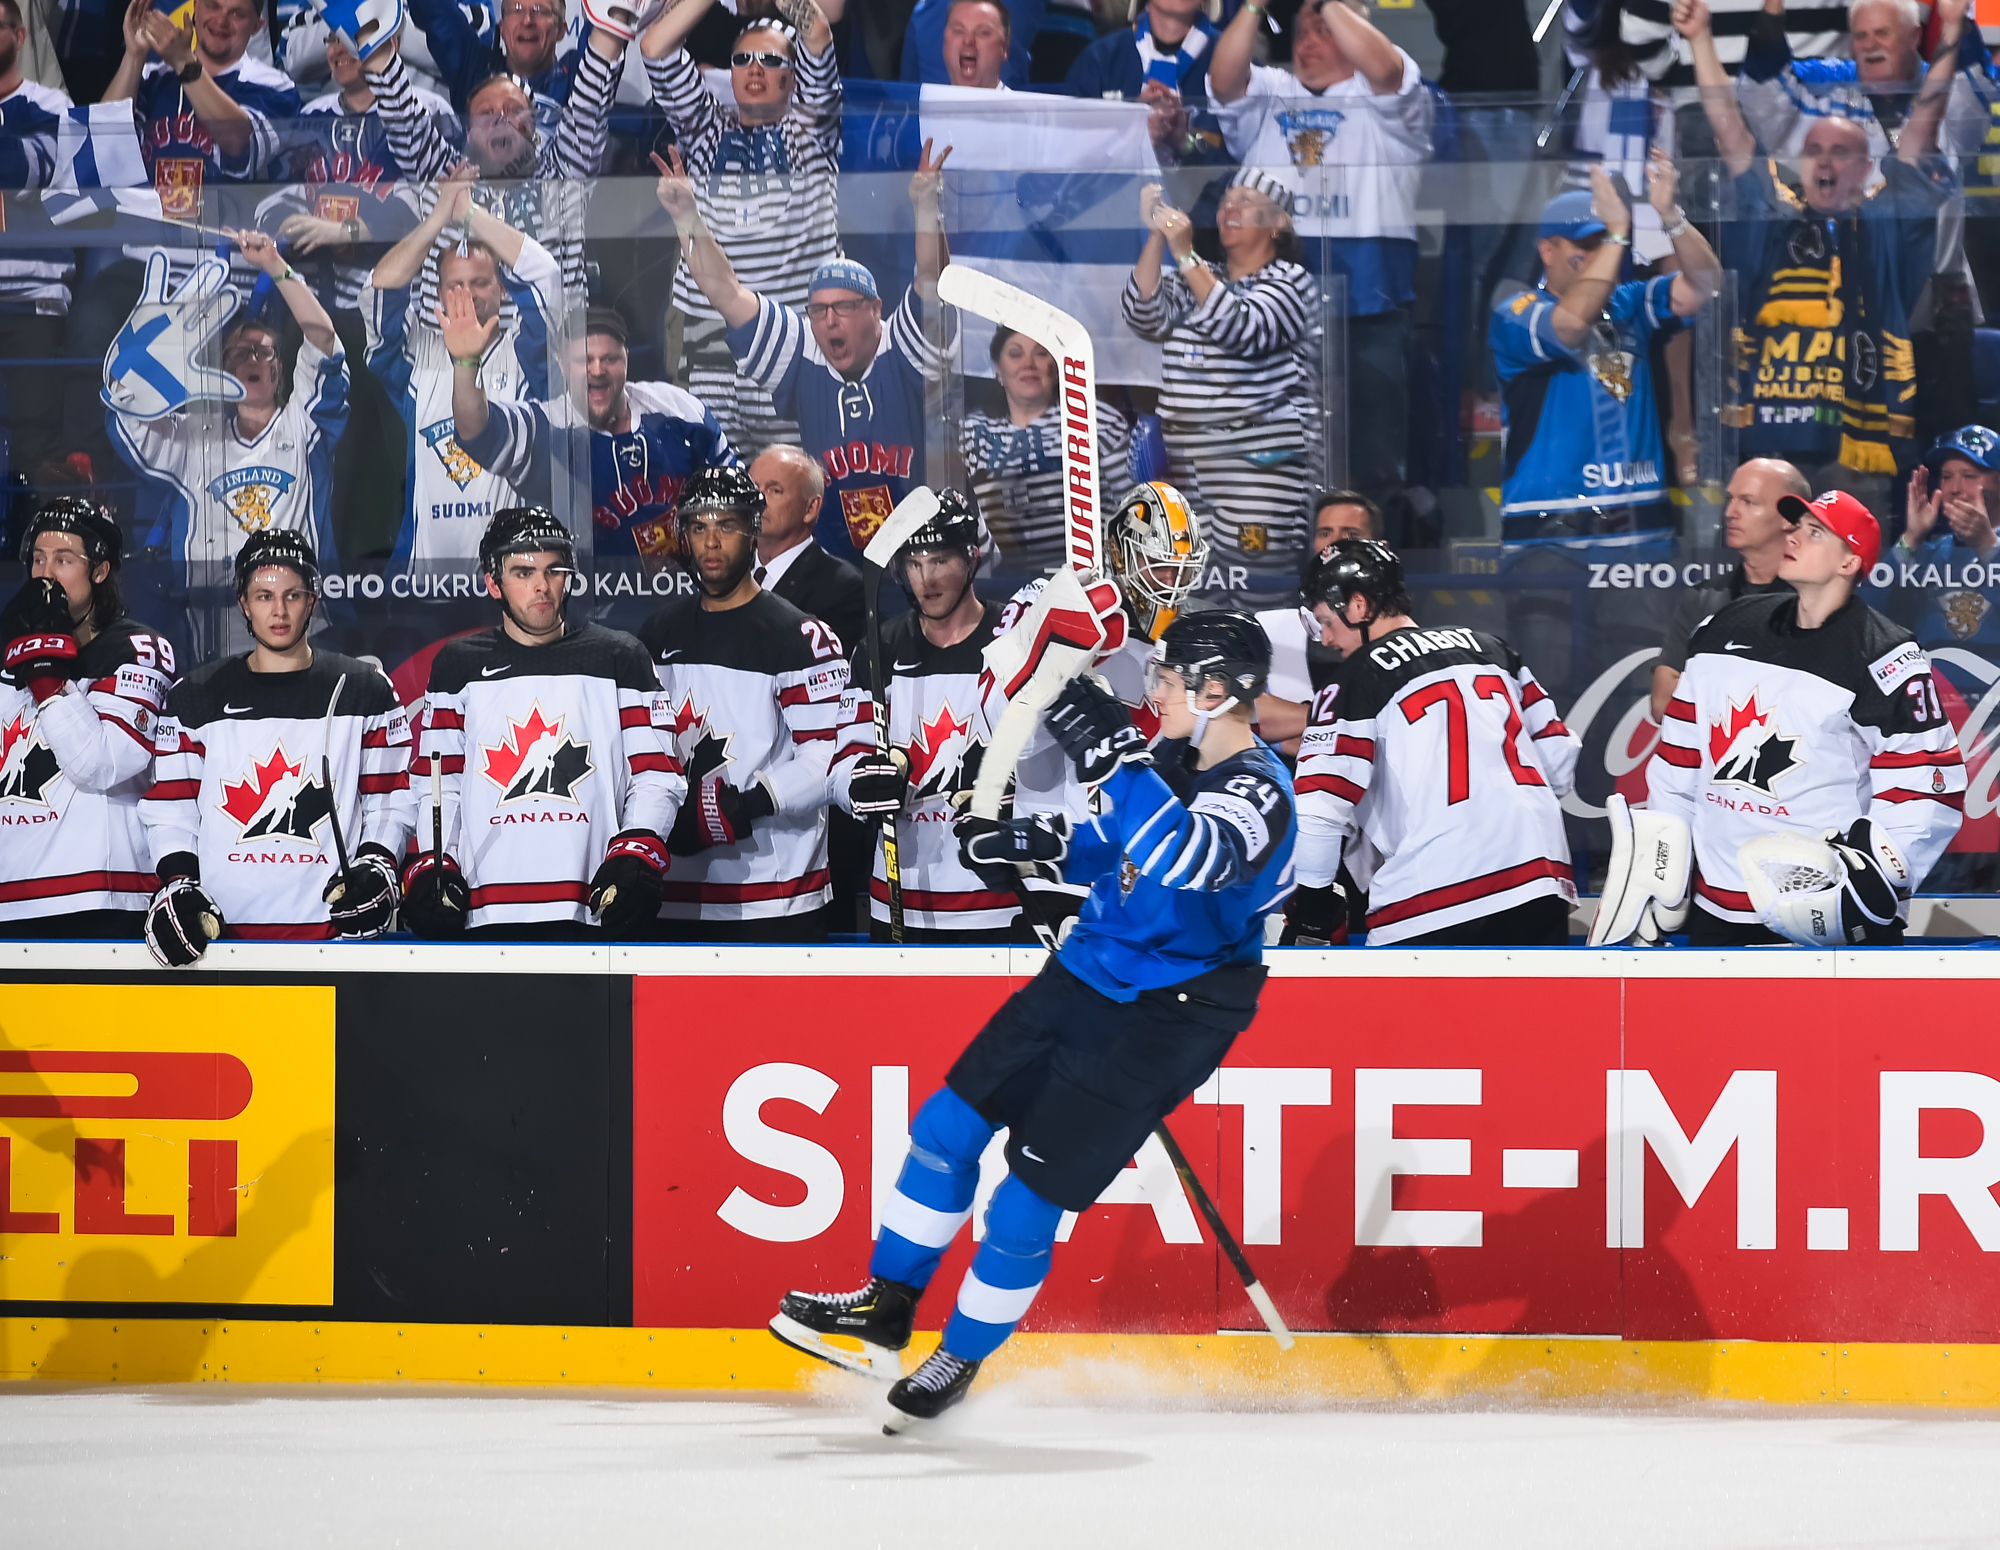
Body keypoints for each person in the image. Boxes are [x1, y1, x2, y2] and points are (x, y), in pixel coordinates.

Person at [771, 609, 1295, 1431]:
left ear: (1219, 691)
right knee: (945, 1129)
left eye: (1167, 677)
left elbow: (1182, 857)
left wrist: (1115, 757)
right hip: (1088, 968)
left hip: (1173, 1013)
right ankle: (884, 1306)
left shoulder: (1262, 790)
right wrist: (1030, 841)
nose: (1154, 689)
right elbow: (1113, 845)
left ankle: (960, 1356)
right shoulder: (1169, 757)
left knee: (1024, 1201)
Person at [1630, 489, 1965, 945]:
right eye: (1794, 526)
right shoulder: (1723, 628)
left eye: (1814, 533)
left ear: (1849, 563)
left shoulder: (1886, 657)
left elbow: (1924, 789)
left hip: (1826, 912)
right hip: (1716, 907)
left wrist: (1868, 891)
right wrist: (1660, 875)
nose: (1793, 537)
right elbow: (1678, 765)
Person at [1676, 0, 1955, 492]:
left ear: (1867, 168)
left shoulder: (1885, 222)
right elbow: (1731, 132)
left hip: (1857, 447)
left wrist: (1951, 27)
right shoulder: (1772, 215)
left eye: (1840, 151)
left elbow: (1923, 128)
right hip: (1765, 444)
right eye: (1813, 150)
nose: (1823, 161)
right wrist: (1700, 39)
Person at [654, 140, 957, 565]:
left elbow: (932, 278)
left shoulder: (903, 344)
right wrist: (687, 217)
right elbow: (725, 290)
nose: (830, 321)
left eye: (845, 307)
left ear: (876, 310)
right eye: (818, 310)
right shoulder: (804, 352)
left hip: (926, 551)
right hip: (836, 563)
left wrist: (927, 206)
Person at [402, 506, 685, 941]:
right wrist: (435, 864)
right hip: (482, 913)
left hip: (595, 909)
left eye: (553, 570)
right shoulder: (458, 665)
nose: (541, 586)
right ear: (492, 582)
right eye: (522, 572)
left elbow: (656, 775)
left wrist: (635, 853)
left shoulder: (619, 656)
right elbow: (437, 785)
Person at [1287, 538, 1582, 946]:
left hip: (1433, 891)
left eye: (1324, 621)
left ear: (1357, 606)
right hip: (1540, 878)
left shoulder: (1353, 679)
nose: (1324, 639)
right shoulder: (1495, 650)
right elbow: (1559, 761)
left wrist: (1314, 909)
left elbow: (1319, 811)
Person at [139, 529, 413, 962]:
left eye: (293, 595)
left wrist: (376, 867)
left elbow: (391, 801)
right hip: (221, 949)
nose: (279, 611)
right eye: (264, 596)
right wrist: (178, 883)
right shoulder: (195, 695)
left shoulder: (363, 688)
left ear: (313, 600)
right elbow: (172, 811)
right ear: (243, 603)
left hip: (335, 945)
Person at [1208, 0, 1433, 524]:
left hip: (1369, 304)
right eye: (1301, 31)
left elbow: (1387, 69)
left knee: (1373, 463)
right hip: (1269, 314)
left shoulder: (1385, 98)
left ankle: (1373, 582)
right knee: (1274, 460)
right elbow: (1222, 80)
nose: (1307, 42)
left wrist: (1331, 4)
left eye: (1324, 30)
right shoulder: (1271, 91)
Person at [107, 227, 351, 649]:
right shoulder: (195, 437)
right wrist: (133, 373)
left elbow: (324, 340)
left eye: (264, 352)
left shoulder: (303, 424)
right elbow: (130, 423)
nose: (253, 359)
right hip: (214, 634)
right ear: (221, 370)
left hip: (305, 631)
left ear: (278, 370)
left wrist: (275, 265)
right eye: (241, 353)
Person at [638, 466, 853, 942]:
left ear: (754, 530)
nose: (711, 542)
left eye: (727, 525)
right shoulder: (656, 634)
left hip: (775, 896)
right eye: (699, 527)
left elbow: (829, 760)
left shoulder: (801, 637)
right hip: (673, 891)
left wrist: (742, 806)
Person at [641, 0, 841, 451]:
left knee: (793, 490)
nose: (755, 68)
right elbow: (654, 47)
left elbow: (819, 34)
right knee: (719, 496)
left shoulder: (813, 127)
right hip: (709, 348)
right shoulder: (705, 128)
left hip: (789, 345)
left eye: (771, 60)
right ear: (729, 73)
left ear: (793, 76)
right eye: (742, 59)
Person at [1491, 160, 1723, 541]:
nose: (1601, 252)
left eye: (1604, 241)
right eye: (1586, 244)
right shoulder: (1516, 313)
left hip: (1638, 525)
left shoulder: (1629, 303)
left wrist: (1670, 217)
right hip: (1550, 531)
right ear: (1547, 251)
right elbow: (1569, 326)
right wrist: (1616, 234)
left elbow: (1706, 286)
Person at [832, 491, 1013, 941]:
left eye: (940, 560)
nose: (926, 578)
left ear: (971, 559)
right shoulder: (880, 647)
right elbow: (840, 762)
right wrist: (859, 785)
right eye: (914, 563)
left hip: (998, 903)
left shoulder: (1013, 642)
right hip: (900, 897)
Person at [1121, 169, 1320, 573]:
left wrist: (1184, 253)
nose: (1230, 208)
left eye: (1246, 201)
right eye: (1227, 200)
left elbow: (1242, 328)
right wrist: (1158, 234)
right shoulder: (1196, 275)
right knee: (1189, 584)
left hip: (1258, 471)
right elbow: (1143, 314)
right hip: (1184, 468)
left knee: (1255, 585)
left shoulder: (1291, 281)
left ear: (1279, 222)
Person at [363, 170, 564, 568]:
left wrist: (468, 213)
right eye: (455, 284)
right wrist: (439, 217)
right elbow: (378, 290)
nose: (468, 293)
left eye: (481, 282)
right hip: (422, 583)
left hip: (511, 582)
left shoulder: (526, 354)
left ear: (503, 288)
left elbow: (547, 277)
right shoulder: (418, 356)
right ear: (437, 293)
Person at [982, 481, 1209, 827]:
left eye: (1182, 568)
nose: (1172, 580)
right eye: (1159, 565)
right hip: (1054, 854)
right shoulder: (1044, 600)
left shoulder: (1192, 642)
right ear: (1120, 555)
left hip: (1142, 856)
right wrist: (1060, 653)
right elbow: (994, 729)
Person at [0, 498, 173, 939]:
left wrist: (46, 677)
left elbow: (101, 764)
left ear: (99, 570)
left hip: (97, 901)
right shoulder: (9, 653)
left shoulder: (136, 648)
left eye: (63, 560)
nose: (45, 574)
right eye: (38, 559)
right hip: (9, 898)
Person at [447, 303, 736, 561]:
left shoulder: (679, 410)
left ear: (626, 360)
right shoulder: (545, 425)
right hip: (589, 601)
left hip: (683, 593)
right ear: (561, 365)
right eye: (584, 360)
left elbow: (733, 499)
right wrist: (466, 363)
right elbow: (476, 429)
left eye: (609, 358)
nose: (597, 370)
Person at [363, 19, 624, 297]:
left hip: (550, 336)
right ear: (470, 133)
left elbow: (592, 92)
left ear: (533, 126)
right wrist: (368, 23)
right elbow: (397, 104)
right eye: (486, 113)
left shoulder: (564, 172)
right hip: (450, 335)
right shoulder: (445, 174)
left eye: (513, 110)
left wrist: (615, 16)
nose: (501, 120)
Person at [256, 31, 453, 319]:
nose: (338, 49)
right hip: (311, 296)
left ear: (392, 45)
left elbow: (439, 204)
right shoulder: (311, 115)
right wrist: (290, 225)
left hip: (398, 298)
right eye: (332, 40)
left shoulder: (429, 110)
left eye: (350, 40)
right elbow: (274, 199)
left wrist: (348, 232)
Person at [960, 324, 1132, 573]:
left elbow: (1134, 512)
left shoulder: (1095, 420)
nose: (1028, 364)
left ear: (1055, 366)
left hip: (1085, 582)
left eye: (1040, 353)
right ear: (998, 369)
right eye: (1015, 354)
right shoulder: (968, 432)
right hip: (998, 586)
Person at [1650, 456, 1804, 721]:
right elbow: (1663, 703)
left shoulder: (1812, 603)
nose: (1730, 512)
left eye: (1748, 502)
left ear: (1789, 519)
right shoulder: (1702, 598)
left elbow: (1812, 707)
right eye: (1731, 499)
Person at [0, 0, 74, 489]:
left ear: (21, 36)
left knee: (35, 448)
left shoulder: (50, 106)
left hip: (32, 297)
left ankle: (44, 560)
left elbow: (20, 173)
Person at [1063, 0, 1229, 171]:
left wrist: (1185, 143)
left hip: (1199, 197)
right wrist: (1132, 135)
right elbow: (1069, 165)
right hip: (1117, 197)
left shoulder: (1235, 65)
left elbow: (1242, 172)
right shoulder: (1099, 60)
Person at [752, 444, 865, 653]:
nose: (757, 499)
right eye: (752, 488)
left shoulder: (842, 588)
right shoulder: (727, 572)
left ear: (810, 508)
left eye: (774, 490)